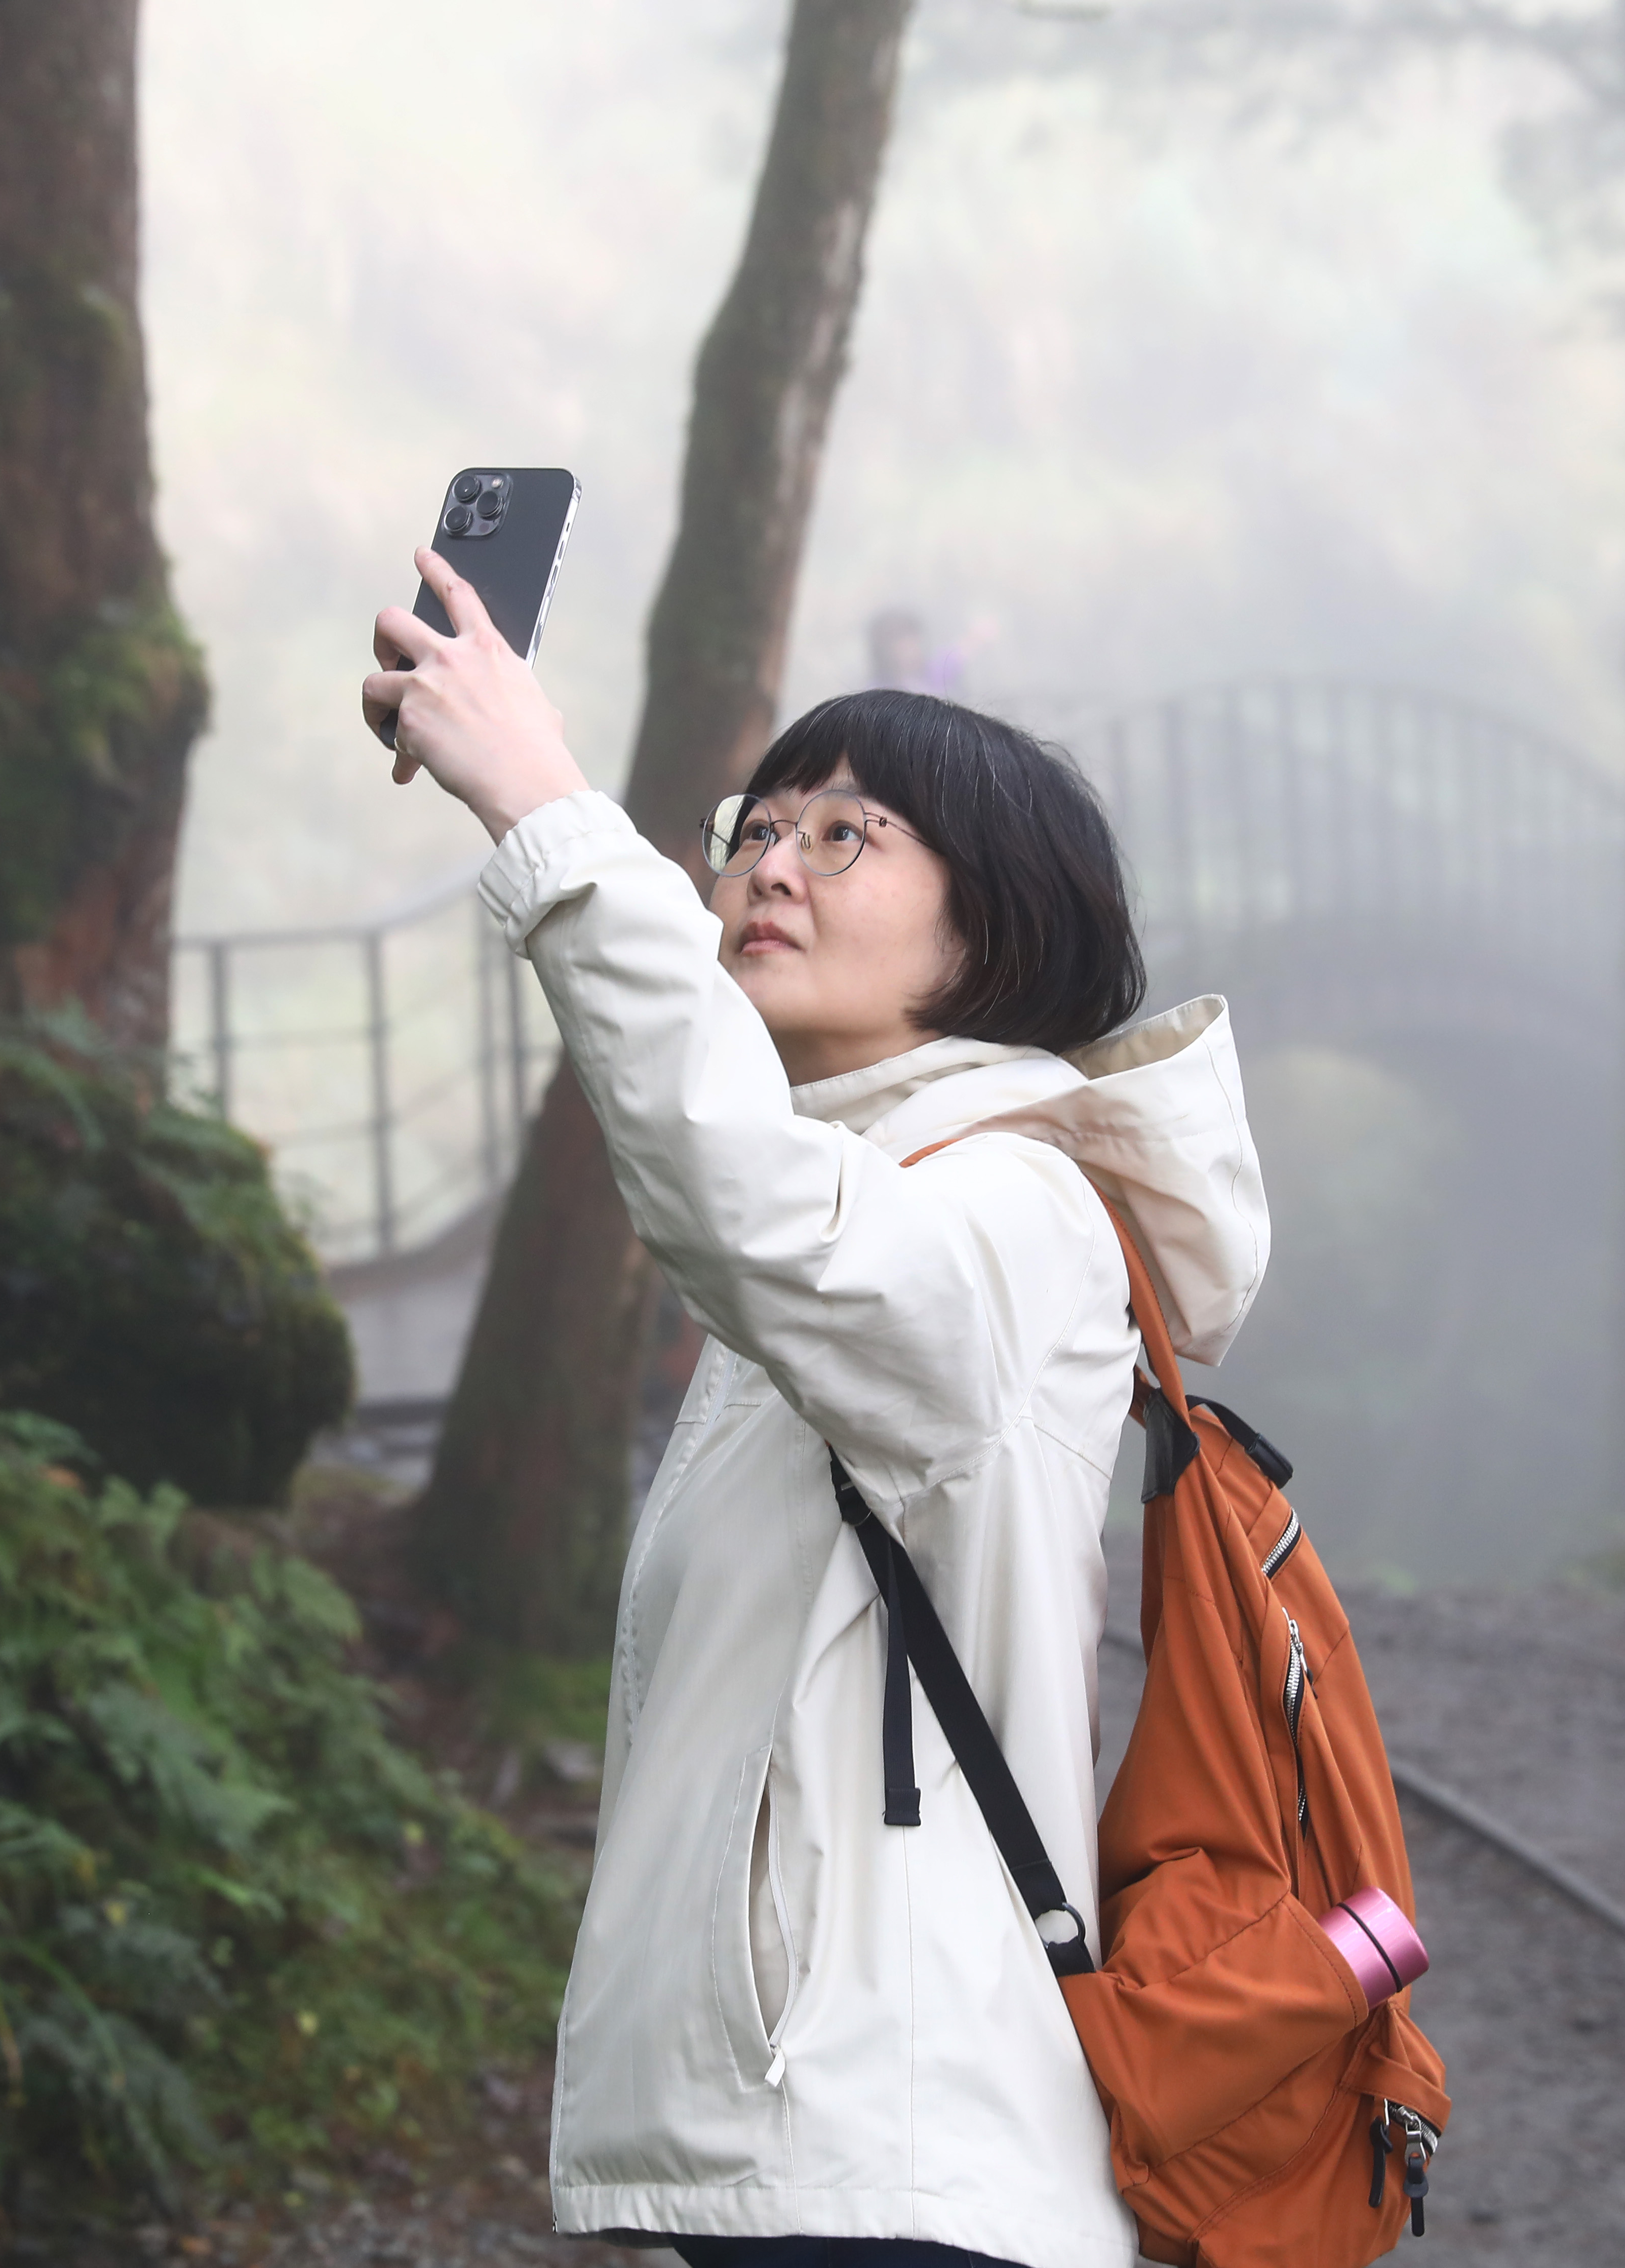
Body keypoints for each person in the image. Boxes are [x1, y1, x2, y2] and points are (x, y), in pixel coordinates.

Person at [361, 552, 1267, 2268]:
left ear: (993, 922)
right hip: (833, 2148)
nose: (769, 862)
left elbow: (747, 1200)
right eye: (755, 827)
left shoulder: (1017, 1217)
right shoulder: (886, 1194)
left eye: (844, 833)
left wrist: (547, 806)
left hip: (898, 2158)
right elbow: (750, 1185)